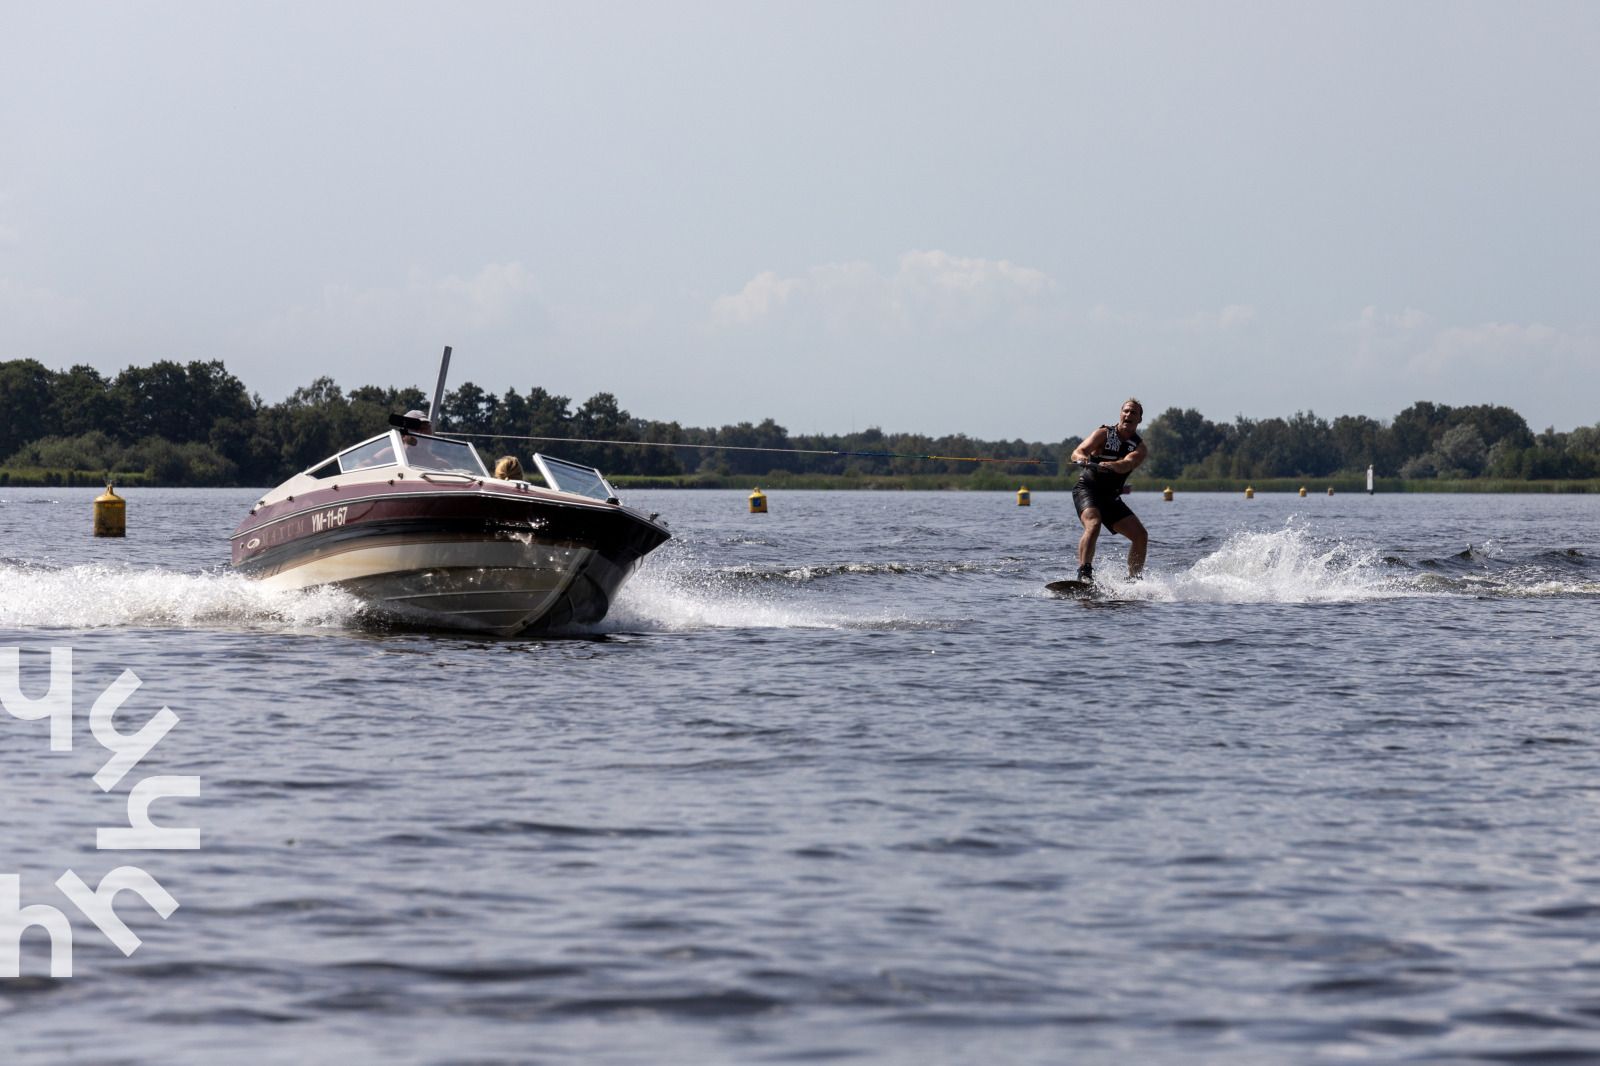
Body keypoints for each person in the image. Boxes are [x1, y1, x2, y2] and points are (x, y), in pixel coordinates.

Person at [1069, 398, 1149, 583]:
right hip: (1087, 490)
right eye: (1126, 411)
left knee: (1140, 536)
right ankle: (1085, 573)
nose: (1128, 415)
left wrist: (1112, 466)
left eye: (1133, 413)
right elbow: (1078, 451)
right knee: (1094, 524)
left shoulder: (1140, 448)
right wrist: (1082, 459)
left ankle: (1133, 581)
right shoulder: (1104, 434)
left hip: (1110, 497)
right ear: (1121, 414)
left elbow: (1127, 463)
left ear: (1139, 420)